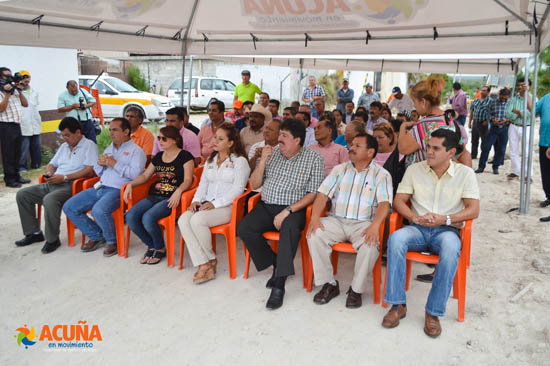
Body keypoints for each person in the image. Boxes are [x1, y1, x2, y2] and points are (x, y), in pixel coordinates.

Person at [382, 129, 480, 338]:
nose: (429, 152)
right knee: (396, 239)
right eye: (428, 147)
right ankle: (397, 305)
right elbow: (399, 200)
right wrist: (414, 217)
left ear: (451, 152)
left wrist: (445, 219)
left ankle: (433, 312)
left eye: (436, 148)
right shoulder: (414, 170)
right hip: (417, 228)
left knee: (451, 247)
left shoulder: (465, 174)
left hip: (446, 230)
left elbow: (473, 209)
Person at [237, 119, 324, 310]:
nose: (279, 139)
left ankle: (279, 284)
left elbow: (314, 193)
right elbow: (254, 185)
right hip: (267, 205)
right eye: (280, 135)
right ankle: (278, 262)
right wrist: (263, 162)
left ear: (298, 140)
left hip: (294, 208)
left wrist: (288, 210)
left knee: (290, 228)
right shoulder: (273, 153)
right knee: (244, 228)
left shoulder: (314, 158)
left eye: (284, 136)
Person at [307, 132, 392, 308]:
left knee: (370, 246)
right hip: (336, 220)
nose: (351, 148)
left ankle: (356, 290)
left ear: (370, 152)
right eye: (351, 145)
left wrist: (375, 226)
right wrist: (315, 219)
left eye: (357, 146)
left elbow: (385, 204)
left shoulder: (381, 175)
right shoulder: (340, 170)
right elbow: (322, 196)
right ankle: (328, 284)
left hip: (363, 223)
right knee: (314, 234)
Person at [63, 118, 146, 257]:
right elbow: (98, 171)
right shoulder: (109, 148)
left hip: (119, 190)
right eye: (110, 130)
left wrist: (114, 164)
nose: (111, 133)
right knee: (69, 206)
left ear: (126, 131)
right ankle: (96, 235)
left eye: (115, 130)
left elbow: (136, 175)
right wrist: (100, 164)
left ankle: (112, 241)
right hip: (100, 186)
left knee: (99, 211)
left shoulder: (136, 151)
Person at [179, 123, 250, 283]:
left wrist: (215, 204)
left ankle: (208, 261)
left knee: (197, 220)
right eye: (215, 137)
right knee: (183, 219)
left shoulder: (240, 162)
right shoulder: (211, 159)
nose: (215, 141)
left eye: (220, 138)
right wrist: (196, 200)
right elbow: (203, 184)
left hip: (227, 207)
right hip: (206, 203)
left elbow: (238, 190)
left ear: (231, 143)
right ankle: (205, 262)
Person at [15, 117, 97, 253]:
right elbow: (52, 164)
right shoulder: (64, 146)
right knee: (23, 194)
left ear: (77, 132)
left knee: (50, 199)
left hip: (73, 185)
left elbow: (89, 171)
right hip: (55, 182)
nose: (65, 139)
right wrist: (49, 173)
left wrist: (65, 177)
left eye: (67, 135)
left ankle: (52, 240)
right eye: (62, 135)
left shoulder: (89, 145)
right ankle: (34, 233)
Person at [125, 126, 194, 265]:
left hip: (172, 198)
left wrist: (178, 191)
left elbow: (188, 179)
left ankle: (158, 247)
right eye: (159, 138)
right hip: (155, 195)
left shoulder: (185, 156)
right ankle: (154, 246)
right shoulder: (158, 157)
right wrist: (130, 184)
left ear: (175, 140)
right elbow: (145, 175)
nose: (160, 141)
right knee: (130, 216)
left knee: (148, 218)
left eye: (164, 138)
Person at [399, 76, 461, 167]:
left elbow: (403, 148)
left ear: (423, 102)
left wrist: (402, 127)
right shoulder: (447, 118)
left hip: (422, 176)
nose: (414, 106)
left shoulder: (424, 125)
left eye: (414, 101)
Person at [0, 67, 30, 187]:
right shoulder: (2, 91)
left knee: (17, 152)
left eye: (10, 75)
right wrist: (7, 94)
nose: (9, 77)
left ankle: (17, 176)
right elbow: (1, 109)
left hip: (17, 124)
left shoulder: (14, 89)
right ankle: (10, 179)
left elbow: (25, 104)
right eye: (6, 76)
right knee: (9, 154)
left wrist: (19, 90)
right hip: (6, 125)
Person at [477, 88, 511, 175]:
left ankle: (496, 167)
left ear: (508, 96)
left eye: (505, 98)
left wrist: (506, 119)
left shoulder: (510, 103)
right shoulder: (493, 102)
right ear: (499, 95)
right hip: (493, 128)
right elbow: (487, 112)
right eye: (501, 97)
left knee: (501, 149)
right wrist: (492, 119)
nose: (503, 99)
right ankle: (481, 167)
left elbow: (513, 115)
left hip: (505, 128)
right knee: (486, 147)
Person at [506, 78, 534, 180]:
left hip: (526, 127)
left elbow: (532, 113)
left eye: (523, 85)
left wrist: (518, 112)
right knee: (513, 150)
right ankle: (515, 171)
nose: (521, 87)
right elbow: (508, 113)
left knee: (526, 151)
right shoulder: (514, 98)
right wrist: (521, 114)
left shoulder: (533, 98)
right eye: (520, 85)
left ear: (529, 86)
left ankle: (528, 174)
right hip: (513, 126)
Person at [18, 71, 42, 171]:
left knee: (36, 146)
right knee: (23, 148)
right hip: (24, 123)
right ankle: (22, 167)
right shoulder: (16, 93)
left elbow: (35, 106)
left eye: (28, 78)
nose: (26, 80)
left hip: (35, 122)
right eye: (24, 77)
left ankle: (36, 165)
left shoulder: (34, 92)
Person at [373, 122, 405, 196]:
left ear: (390, 138)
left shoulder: (400, 157)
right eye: (374, 138)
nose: (377, 140)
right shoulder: (369, 155)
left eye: (381, 137)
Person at [468, 86, 491, 159]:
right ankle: (473, 155)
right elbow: (472, 111)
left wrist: (487, 121)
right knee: (474, 140)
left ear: (488, 92)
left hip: (484, 124)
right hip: (475, 122)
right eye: (482, 90)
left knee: (484, 141)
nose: (482, 92)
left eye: (484, 90)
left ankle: (483, 156)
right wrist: (469, 122)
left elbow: (492, 112)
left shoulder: (490, 101)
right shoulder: (476, 100)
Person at [537, 93, 550, 221]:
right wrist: (525, 93)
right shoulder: (546, 97)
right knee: (546, 174)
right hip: (544, 142)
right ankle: (549, 197)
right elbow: (533, 110)